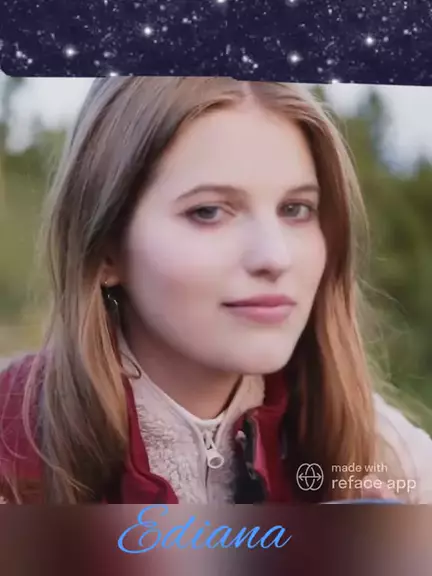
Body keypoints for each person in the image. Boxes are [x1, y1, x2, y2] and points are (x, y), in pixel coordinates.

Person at [0, 77, 431, 505]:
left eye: (296, 209)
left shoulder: (378, 452)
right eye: (208, 212)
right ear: (107, 250)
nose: (275, 256)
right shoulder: (12, 440)